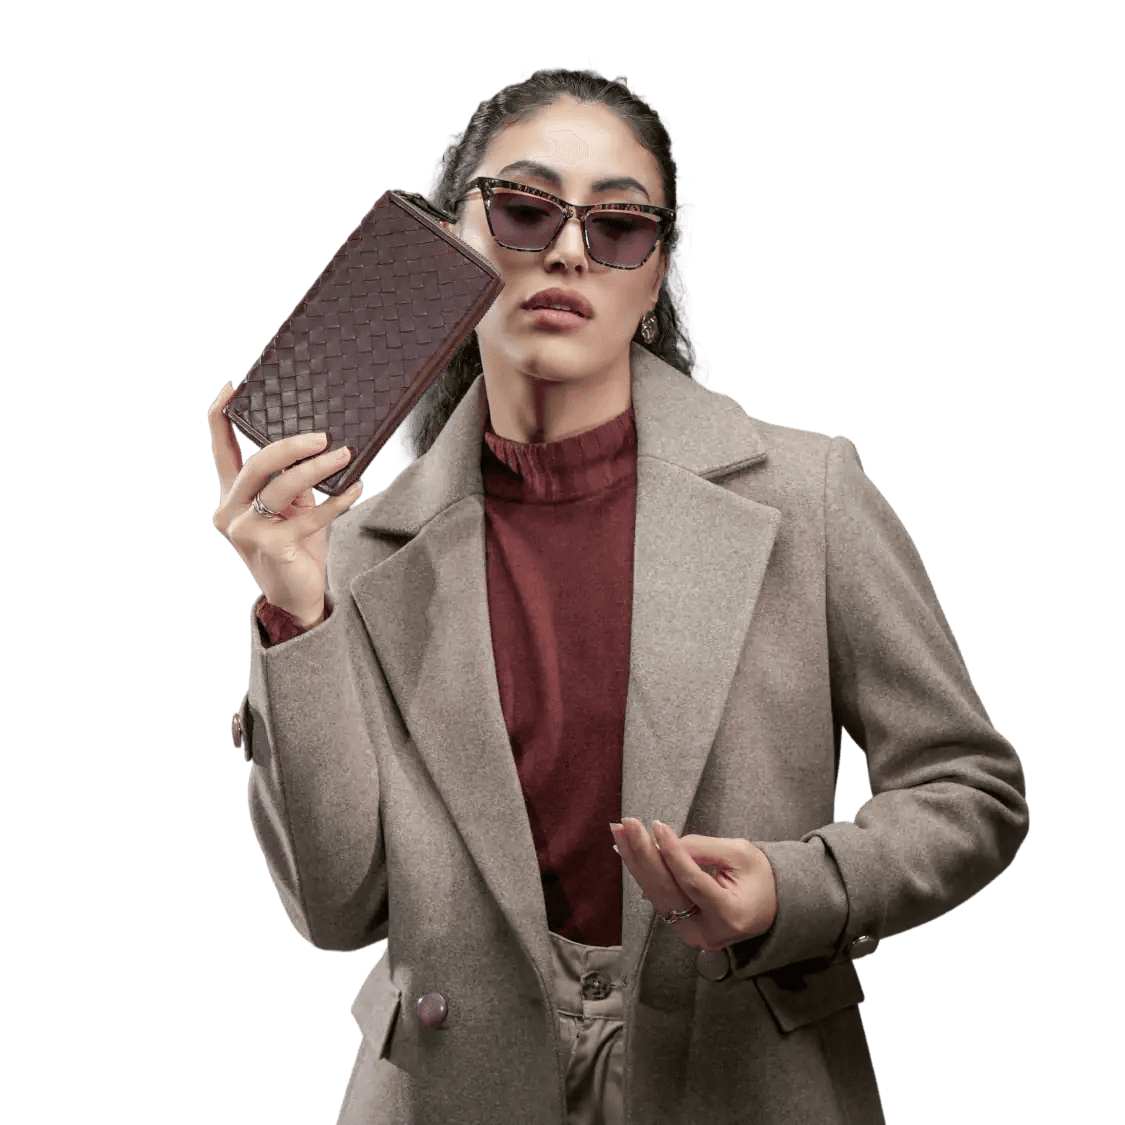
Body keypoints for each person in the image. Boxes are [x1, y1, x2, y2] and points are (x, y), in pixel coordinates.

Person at [208, 67, 1029, 1125]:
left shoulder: (808, 492)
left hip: (744, 1077)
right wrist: (294, 609)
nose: (566, 251)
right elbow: (336, 909)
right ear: (450, 245)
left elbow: (969, 789)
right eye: (523, 209)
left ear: (654, 280)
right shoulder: (358, 549)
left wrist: (794, 887)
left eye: (619, 227)